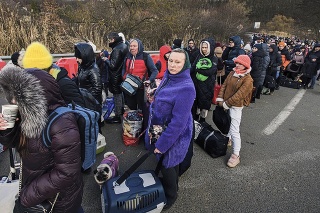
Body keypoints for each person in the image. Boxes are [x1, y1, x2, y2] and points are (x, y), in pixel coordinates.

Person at [0, 67, 83, 213]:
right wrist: (7, 129)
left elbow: (66, 173)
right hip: (37, 188)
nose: (13, 100)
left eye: (19, 96)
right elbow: (12, 144)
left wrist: (27, 197)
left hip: (59, 200)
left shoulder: (62, 123)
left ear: (36, 96)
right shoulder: (29, 115)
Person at [144, 48, 196, 209]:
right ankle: (173, 183)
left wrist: (162, 144)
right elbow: (164, 96)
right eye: (171, 61)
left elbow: (178, 123)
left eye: (178, 62)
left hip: (173, 134)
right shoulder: (169, 76)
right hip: (159, 128)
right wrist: (154, 96)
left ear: (185, 63)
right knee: (169, 163)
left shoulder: (187, 88)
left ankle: (171, 196)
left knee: (168, 164)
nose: (173, 65)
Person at [216, 55, 253, 168]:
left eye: (240, 64)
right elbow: (224, 86)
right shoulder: (232, 73)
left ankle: (236, 154)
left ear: (246, 65)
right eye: (237, 63)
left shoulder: (248, 79)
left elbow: (239, 95)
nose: (237, 65)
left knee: (234, 129)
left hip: (236, 107)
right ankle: (228, 139)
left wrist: (226, 104)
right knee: (227, 123)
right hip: (225, 103)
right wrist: (220, 98)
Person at [22, 42, 85, 107]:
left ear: (47, 68)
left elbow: (80, 111)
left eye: (38, 71)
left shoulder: (64, 84)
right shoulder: (32, 85)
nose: (35, 76)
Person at [122, 38, 158, 111]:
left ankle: (143, 122)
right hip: (128, 87)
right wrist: (124, 77)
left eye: (134, 46)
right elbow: (123, 69)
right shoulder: (127, 56)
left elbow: (154, 70)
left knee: (142, 109)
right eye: (131, 46)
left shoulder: (145, 56)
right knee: (130, 109)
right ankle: (132, 121)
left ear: (139, 46)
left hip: (141, 88)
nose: (132, 48)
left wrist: (149, 80)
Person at [104, 32, 128, 124]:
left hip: (115, 76)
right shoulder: (124, 46)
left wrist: (106, 60)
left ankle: (118, 116)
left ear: (113, 39)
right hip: (121, 75)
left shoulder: (117, 49)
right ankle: (121, 112)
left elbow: (113, 66)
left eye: (110, 39)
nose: (109, 41)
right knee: (120, 95)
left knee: (117, 95)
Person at [191, 38, 218, 122]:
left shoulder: (214, 58)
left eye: (206, 47)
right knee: (196, 106)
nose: (204, 49)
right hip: (197, 84)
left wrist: (198, 69)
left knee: (204, 106)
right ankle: (195, 123)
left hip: (207, 86)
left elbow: (210, 72)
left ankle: (203, 122)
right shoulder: (199, 56)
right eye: (202, 47)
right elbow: (192, 68)